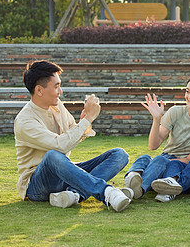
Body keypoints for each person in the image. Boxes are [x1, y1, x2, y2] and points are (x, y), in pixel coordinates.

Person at [14, 60, 133, 212]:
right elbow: (60, 145)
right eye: (56, 86)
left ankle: (74, 194)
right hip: (37, 184)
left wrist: (83, 121)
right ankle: (107, 192)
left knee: (119, 155)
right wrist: (88, 119)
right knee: (52, 156)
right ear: (39, 90)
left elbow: (72, 131)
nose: (60, 91)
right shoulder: (25, 121)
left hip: (63, 173)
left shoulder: (57, 105)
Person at [124, 72, 190, 202]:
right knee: (147, 158)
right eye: (187, 91)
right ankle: (135, 183)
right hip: (167, 160)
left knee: (182, 163)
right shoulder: (175, 112)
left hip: (189, 165)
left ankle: (140, 186)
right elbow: (153, 145)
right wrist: (156, 119)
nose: (189, 97)